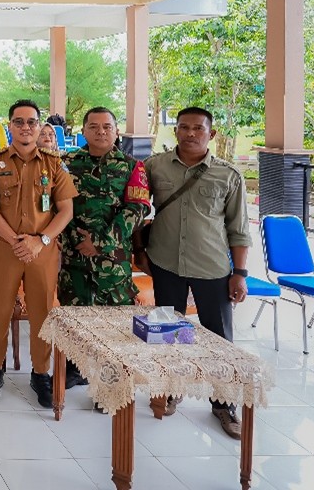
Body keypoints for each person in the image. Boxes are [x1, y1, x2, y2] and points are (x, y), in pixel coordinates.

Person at [140, 106, 250, 438]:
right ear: (175, 131)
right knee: (169, 331)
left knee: (218, 338)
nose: (190, 133)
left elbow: (239, 228)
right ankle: (171, 390)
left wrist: (240, 272)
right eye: (184, 127)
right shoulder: (154, 167)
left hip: (211, 266)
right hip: (165, 262)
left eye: (198, 128)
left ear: (211, 134)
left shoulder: (228, 175)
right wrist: (138, 251)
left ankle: (223, 402)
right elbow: (135, 210)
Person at [0, 100, 77, 409]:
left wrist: (40, 240)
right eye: (19, 122)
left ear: (39, 126)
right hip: (5, 250)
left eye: (31, 122)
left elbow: (66, 210)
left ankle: (40, 373)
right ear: (9, 126)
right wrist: (15, 240)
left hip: (42, 251)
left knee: (42, 313)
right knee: (0, 310)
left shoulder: (54, 163)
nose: (25, 127)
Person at [60, 107, 150, 390]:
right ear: (83, 131)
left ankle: (111, 379)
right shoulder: (65, 163)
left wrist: (98, 243)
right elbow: (55, 206)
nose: (101, 132)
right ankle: (73, 370)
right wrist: (77, 239)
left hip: (113, 260)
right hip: (73, 257)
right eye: (94, 127)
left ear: (116, 131)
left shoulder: (132, 166)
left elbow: (136, 211)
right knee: (74, 317)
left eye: (107, 127)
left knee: (113, 323)